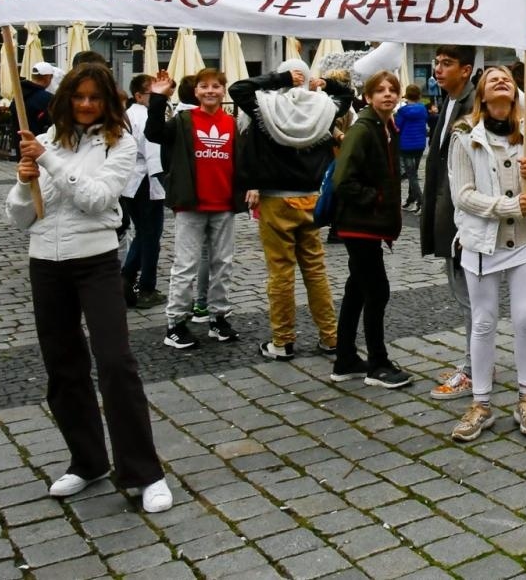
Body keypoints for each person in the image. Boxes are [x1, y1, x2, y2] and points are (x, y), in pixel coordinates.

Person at [7, 63, 172, 513]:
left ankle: (144, 471)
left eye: (93, 97)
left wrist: (47, 162)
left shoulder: (117, 145)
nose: (85, 104)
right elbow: (20, 218)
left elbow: (98, 200)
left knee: (116, 362)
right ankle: (88, 460)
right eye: (77, 96)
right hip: (45, 263)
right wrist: (25, 184)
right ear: (65, 100)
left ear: (106, 101)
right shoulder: (43, 142)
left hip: (96, 262)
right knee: (63, 367)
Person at [448, 66, 526, 441]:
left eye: (507, 77)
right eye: (492, 77)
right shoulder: (465, 138)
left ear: (516, 92)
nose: (501, 79)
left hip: (525, 243)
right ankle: (481, 404)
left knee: (525, 319)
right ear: (481, 93)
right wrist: (506, 207)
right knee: (484, 321)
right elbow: (462, 195)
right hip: (482, 245)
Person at [229, 61, 352, 361]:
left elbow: (238, 89)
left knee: (281, 273)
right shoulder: (321, 109)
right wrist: (325, 84)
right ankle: (331, 337)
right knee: (315, 271)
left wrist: (278, 77)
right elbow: (347, 97)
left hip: (276, 200)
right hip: (310, 199)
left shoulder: (266, 109)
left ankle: (282, 341)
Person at [147, 68, 244, 351]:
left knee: (222, 263)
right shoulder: (184, 121)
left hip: (223, 203)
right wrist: (157, 98)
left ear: (223, 91)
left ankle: (218, 318)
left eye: (216, 86)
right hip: (191, 203)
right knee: (185, 264)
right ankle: (175, 323)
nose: (210, 91)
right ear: (196, 91)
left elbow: (241, 160)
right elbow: (153, 134)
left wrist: (248, 188)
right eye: (204, 86)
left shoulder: (232, 123)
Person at [328, 70, 413, 389]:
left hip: (368, 225)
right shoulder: (364, 129)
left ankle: (345, 358)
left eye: (393, 90)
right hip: (359, 224)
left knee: (357, 289)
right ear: (368, 96)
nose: (388, 95)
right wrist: (375, 199)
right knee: (377, 291)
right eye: (380, 90)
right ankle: (377, 363)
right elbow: (343, 180)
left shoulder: (386, 126)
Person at [420, 44, 478, 401]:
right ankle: (474, 360)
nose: (438, 70)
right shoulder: (450, 101)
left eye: (446, 64)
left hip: (464, 217)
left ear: (466, 69)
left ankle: (474, 369)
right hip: (448, 212)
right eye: (436, 63)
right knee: (464, 294)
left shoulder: (473, 106)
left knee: (471, 296)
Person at [119, 74, 166, 309]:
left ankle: (126, 277)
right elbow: (153, 154)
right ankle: (146, 286)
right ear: (139, 95)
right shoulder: (143, 115)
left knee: (144, 233)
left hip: (132, 182)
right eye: (152, 92)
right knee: (151, 236)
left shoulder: (129, 114)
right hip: (145, 181)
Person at [395, 85, 429, 211]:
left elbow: (397, 127)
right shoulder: (423, 109)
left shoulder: (402, 111)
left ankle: (421, 201)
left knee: (411, 175)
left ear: (407, 95)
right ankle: (411, 199)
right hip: (420, 145)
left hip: (406, 145)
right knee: (413, 173)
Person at [20, 61, 60, 137]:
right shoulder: (48, 99)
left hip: (19, 143)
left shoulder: (18, 96)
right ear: (48, 77)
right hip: (38, 144)